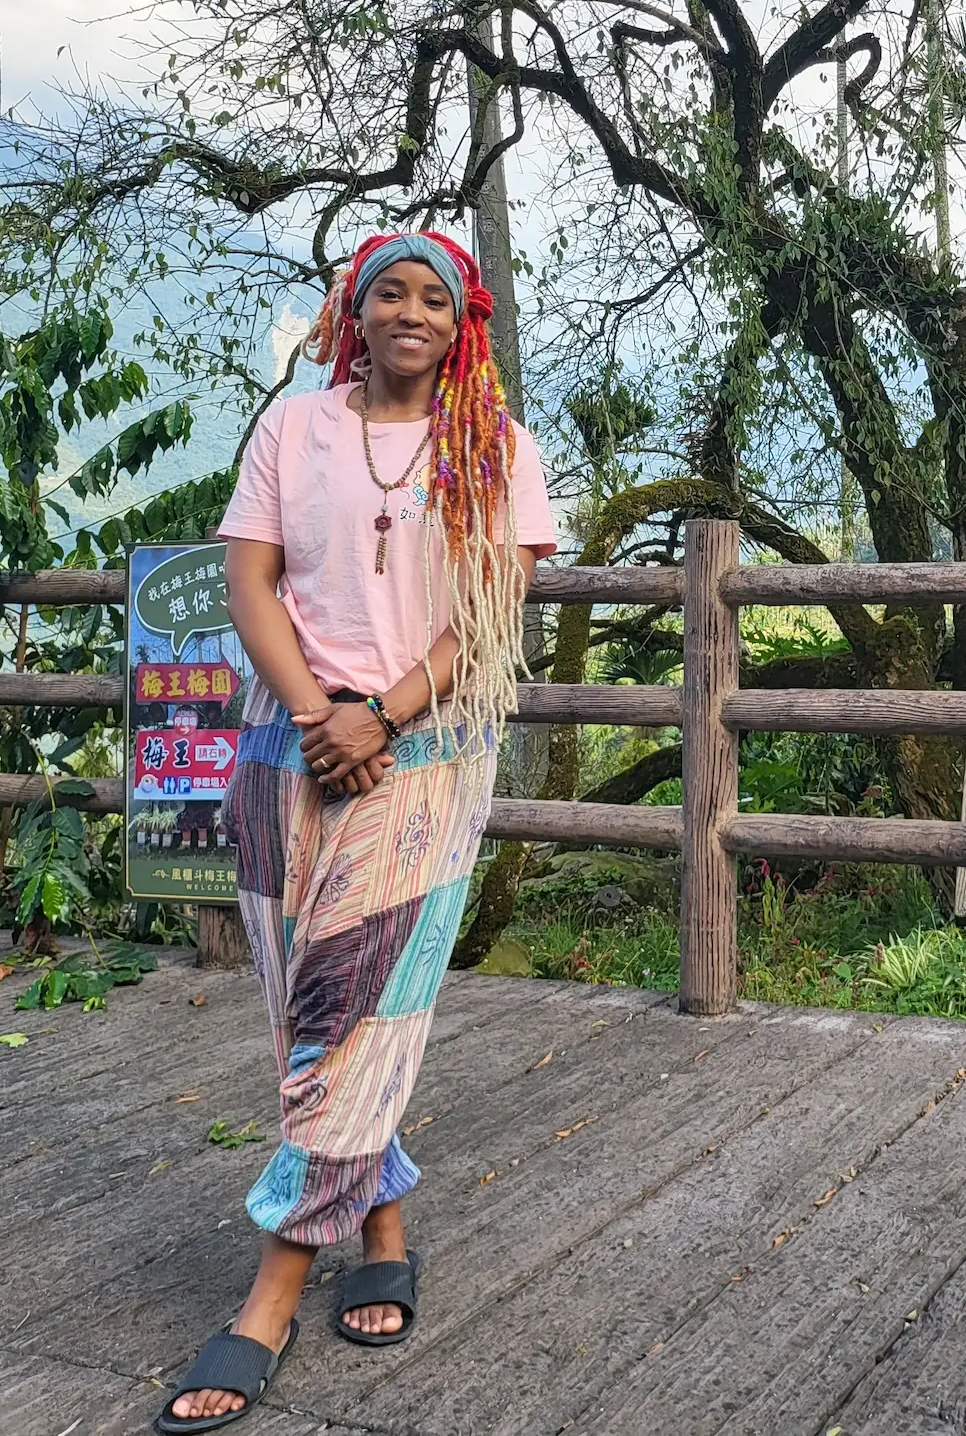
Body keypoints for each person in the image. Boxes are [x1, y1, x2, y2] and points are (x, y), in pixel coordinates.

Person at [158, 232, 556, 1432]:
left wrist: (378, 716)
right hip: (282, 749)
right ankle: (380, 1226)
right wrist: (314, 713)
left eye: (435, 297)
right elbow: (249, 581)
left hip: (421, 759)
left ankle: (271, 1294)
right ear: (357, 309)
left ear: (463, 322)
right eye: (391, 291)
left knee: (350, 1009)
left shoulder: (495, 447)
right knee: (310, 1015)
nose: (410, 311)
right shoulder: (294, 428)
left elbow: (488, 615)